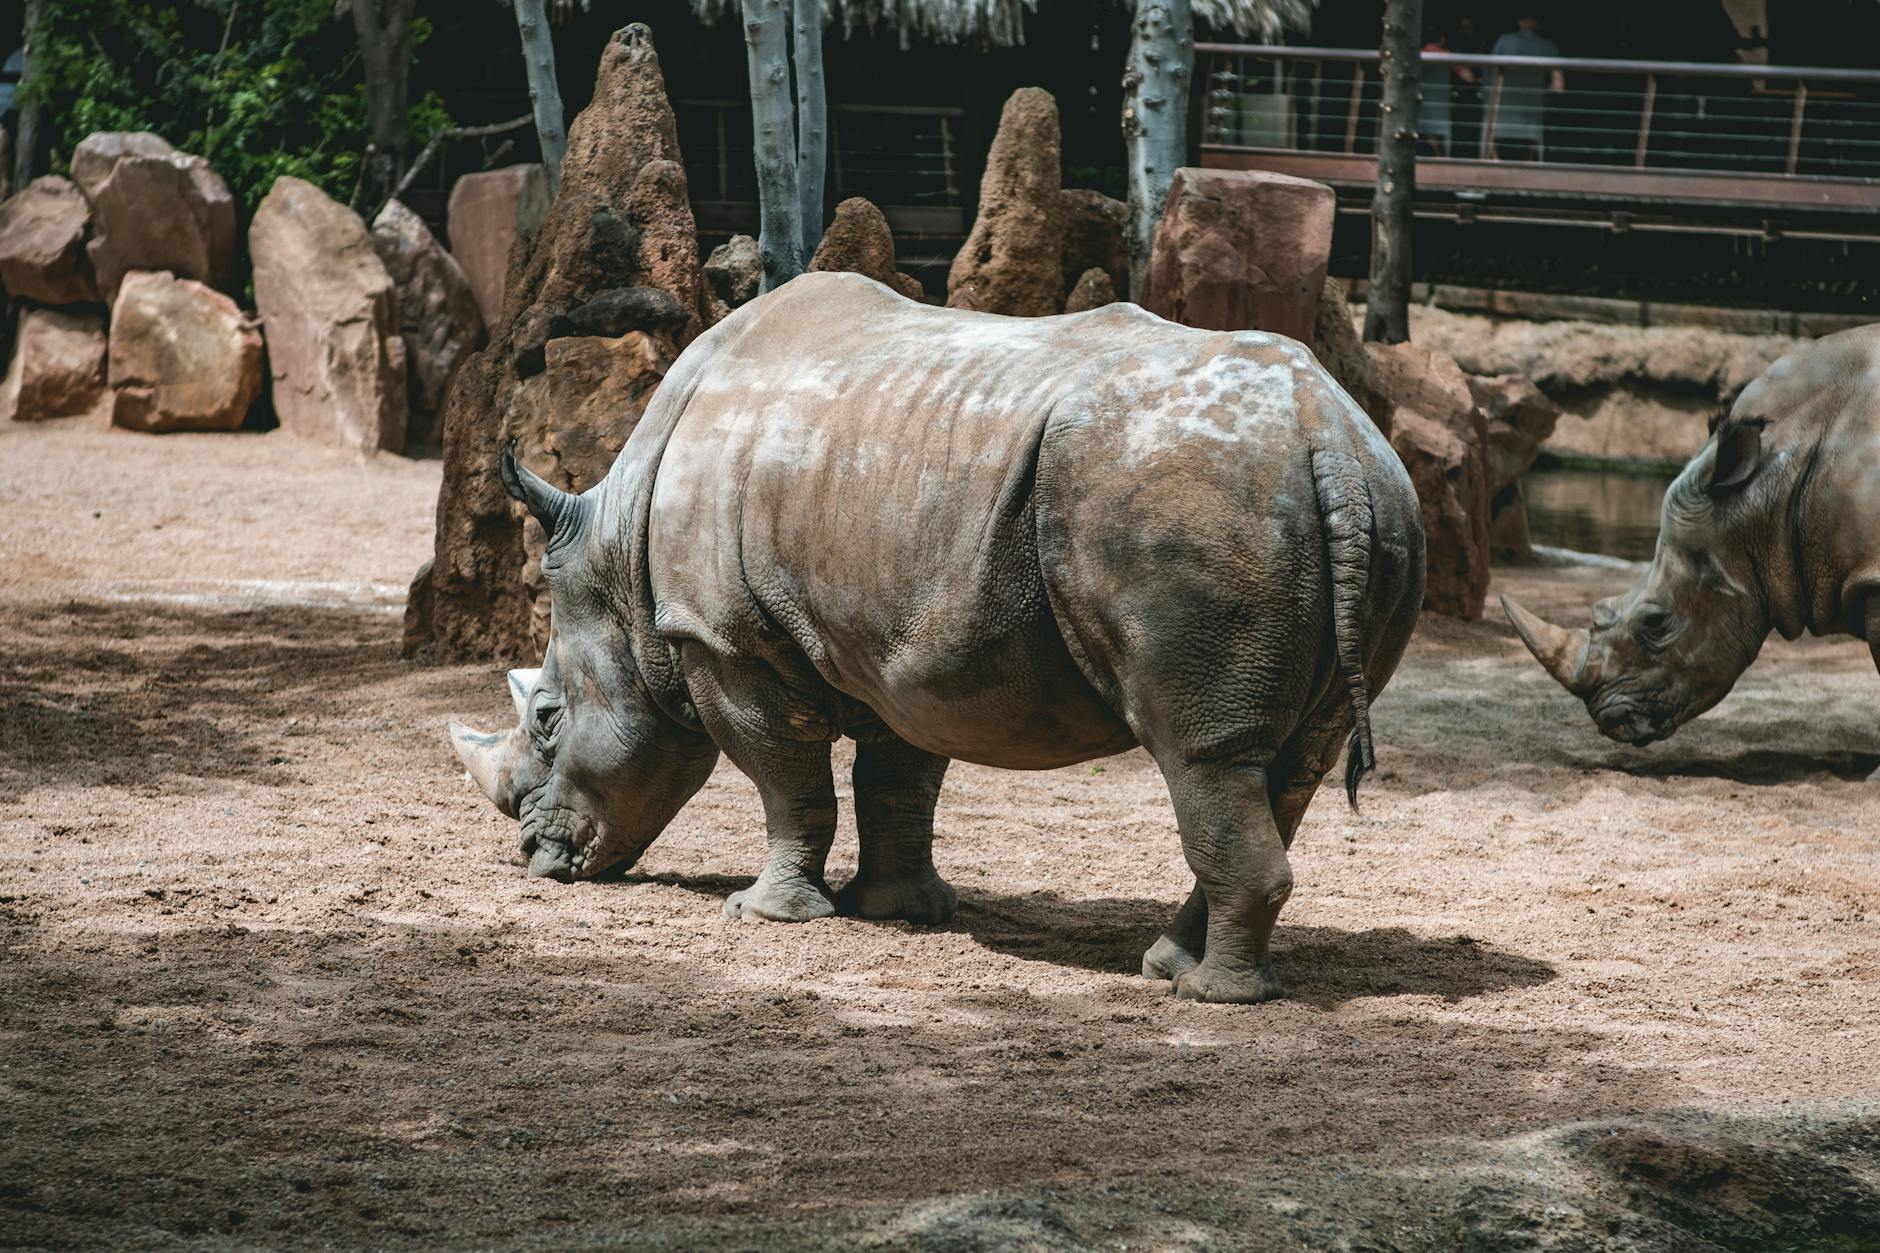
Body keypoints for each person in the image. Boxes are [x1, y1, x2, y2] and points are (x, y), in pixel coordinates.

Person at [1488, 12, 1564, 161]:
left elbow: (1491, 70)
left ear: (1520, 22)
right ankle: (1531, 163)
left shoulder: (1504, 40)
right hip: (1532, 106)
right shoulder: (1548, 46)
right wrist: (1546, 91)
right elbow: (1559, 85)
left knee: (1493, 130)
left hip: (1503, 104)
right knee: (1534, 134)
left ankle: (1495, 161)